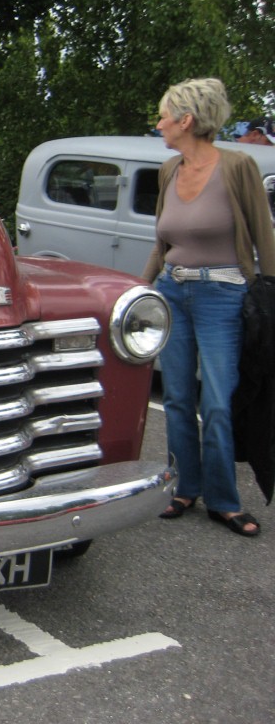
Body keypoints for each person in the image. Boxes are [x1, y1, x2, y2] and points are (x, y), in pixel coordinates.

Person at [143, 78, 275, 537]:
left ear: (186, 120)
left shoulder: (238, 167)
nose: (158, 124)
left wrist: (269, 295)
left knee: (218, 401)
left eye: (163, 116)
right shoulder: (168, 170)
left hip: (224, 296)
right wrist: (140, 292)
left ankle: (223, 500)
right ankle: (183, 487)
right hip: (173, 291)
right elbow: (161, 242)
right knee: (177, 398)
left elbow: (263, 237)